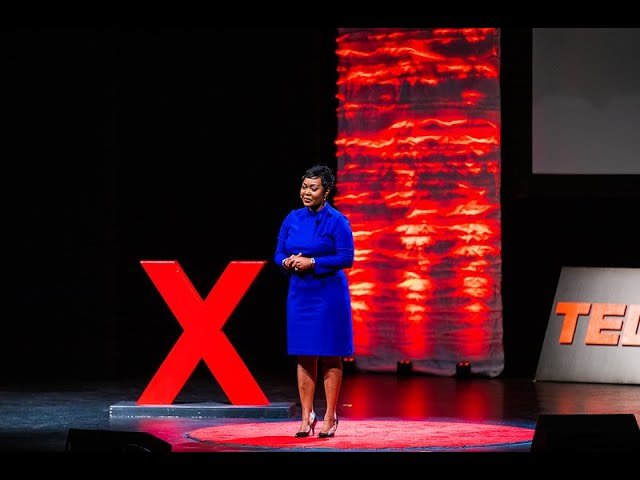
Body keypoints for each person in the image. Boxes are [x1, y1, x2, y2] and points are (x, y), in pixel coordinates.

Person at [274, 164, 355, 438]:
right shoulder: (292, 218)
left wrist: (313, 262)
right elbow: (278, 253)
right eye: (304, 187)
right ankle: (306, 415)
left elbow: (346, 258)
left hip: (328, 295)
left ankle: (330, 416)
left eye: (313, 188)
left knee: (331, 353)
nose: (306, 192)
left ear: (326, 191)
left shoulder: (337, 221)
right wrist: (286, 262)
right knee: (304, 353)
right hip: (300, 294)